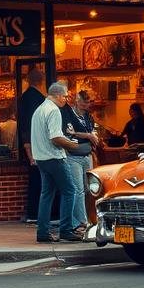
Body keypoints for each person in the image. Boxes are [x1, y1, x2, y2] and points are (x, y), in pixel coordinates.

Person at [31, 82, 83, 243]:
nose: (66, 100)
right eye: (65, 96)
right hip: (54, 157)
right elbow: (55, 137)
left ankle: (43, 232)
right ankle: (66, 230)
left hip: (41, 158)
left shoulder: (39, 110)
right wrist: (74, 145)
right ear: (58, 95)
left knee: (46, 194)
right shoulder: (54, 110)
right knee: (70, 191)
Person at [60, 91, 98, 237]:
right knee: (78, 190)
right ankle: (80, 223)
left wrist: (91, 136)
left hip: (87, 155)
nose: (87, 105)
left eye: (88, 102)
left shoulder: (88, 117)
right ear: (77, 101)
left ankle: (90, 220)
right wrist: (87, 135)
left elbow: (88, 132)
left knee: (90, 189)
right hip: (73, 156)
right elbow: (69, 133)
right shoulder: (68, 114)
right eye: (85, 102)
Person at [18, 67, 47, 223]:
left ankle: (34, 213)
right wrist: (29, 150)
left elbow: (24, 125)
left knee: (36, 181)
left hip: (31, 146)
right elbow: (30, 126)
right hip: (38, 147)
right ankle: (36, 214)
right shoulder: (38, 99)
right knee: (40, 182)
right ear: (41, 81)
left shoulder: (24, 97)